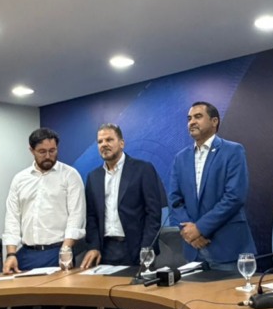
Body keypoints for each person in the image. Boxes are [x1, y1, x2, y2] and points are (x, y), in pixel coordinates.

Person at [168, 102, 255, 270]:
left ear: (214, 121)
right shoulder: (180, 158)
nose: (192, 122)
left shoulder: (233, 151)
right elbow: (175, 200)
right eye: (189, 118)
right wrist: (190, 233)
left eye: (198, 117)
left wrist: (200, 229)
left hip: (227, 249)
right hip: (193, 250)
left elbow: (234, 197)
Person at [79, 124, 164, 270]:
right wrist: (94, 246)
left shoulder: (143, 169)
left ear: (121, 143)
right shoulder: (94, 177)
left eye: (109, 140)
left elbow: (153, 213)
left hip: (137, 249)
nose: (104, 144)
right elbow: (91, 216)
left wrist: (147, 247)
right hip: (105, 251)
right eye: (100, 141)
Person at [2, 128, 85, 273]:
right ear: (31, 150)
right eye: (42, 152)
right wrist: (11, 254)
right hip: (26, 253)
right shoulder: (20, 179)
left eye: (52, 151)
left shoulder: (70, 175)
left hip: (58, 251)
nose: (48, 156)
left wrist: (66, 250)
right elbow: (12, 218)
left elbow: (76, 215)